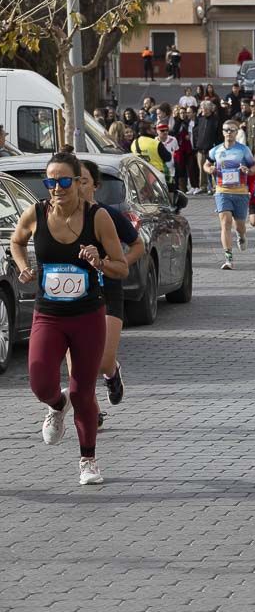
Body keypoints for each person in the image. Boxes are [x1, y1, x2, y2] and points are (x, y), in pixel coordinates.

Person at [8, 152, 130, 485]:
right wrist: (23, 268)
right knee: (39, 381)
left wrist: (99, 260)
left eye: (64, 181)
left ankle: (88, 460)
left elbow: (122, 266)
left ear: (78, 182)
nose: (57, 188)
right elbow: (16, 241)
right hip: (48, 314)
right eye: (51, 182)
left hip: (88, 315)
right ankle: (55, 405)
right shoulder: (36, 212)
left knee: (83, 392)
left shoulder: (98, 217)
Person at [76, 160, 144, 426]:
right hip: (74, 295)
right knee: (81, 363)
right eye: (74, 180)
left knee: (103, 360)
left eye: (83, 180)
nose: (78, 186)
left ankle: (112, 372)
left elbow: (136, 244)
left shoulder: (107, 215)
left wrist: (121, 264)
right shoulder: (58, 217)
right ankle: (92, 412)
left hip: (108, 290)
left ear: (95, 184)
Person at [204, 119, 255, 269]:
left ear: (237, 132)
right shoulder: (216, 150)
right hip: (222, 191)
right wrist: (210, 169)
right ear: (222, 132)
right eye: (226, 130)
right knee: (225, 222)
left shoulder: (243, 150)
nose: (229, 133)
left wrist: (249, 171)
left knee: (239, 225)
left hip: (241, 192)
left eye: (232, 130)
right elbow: (206, 164)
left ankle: (241, 236)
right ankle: (228, 258)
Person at [192, 101, 221, 193]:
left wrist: (216, 147)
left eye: (203, 108)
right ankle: (203, 187)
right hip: (200, 148)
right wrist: (196, 144)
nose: (201, 110)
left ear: (208, 109)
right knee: (201, 168)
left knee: (211, 169)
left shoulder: (216, 120)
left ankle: (214, 187)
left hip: (211, 149)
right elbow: (195, 132)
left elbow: (219, 135)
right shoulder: (200, 119)